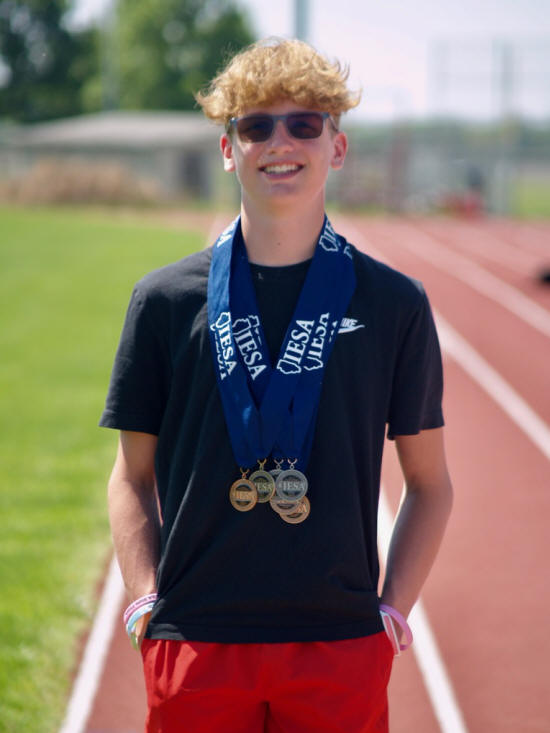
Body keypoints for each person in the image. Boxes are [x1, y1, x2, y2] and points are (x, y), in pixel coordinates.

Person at [101, 38, 453, 733]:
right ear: (228, 149)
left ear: (337, 147)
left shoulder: (394, 303)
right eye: (256, 125)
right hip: (196, 638)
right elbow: (130, 476)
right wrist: (144, 601)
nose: (279, 142)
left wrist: (392, 609)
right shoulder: (164, 301)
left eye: (304, 124)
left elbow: (431, 482)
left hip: (339, 643)